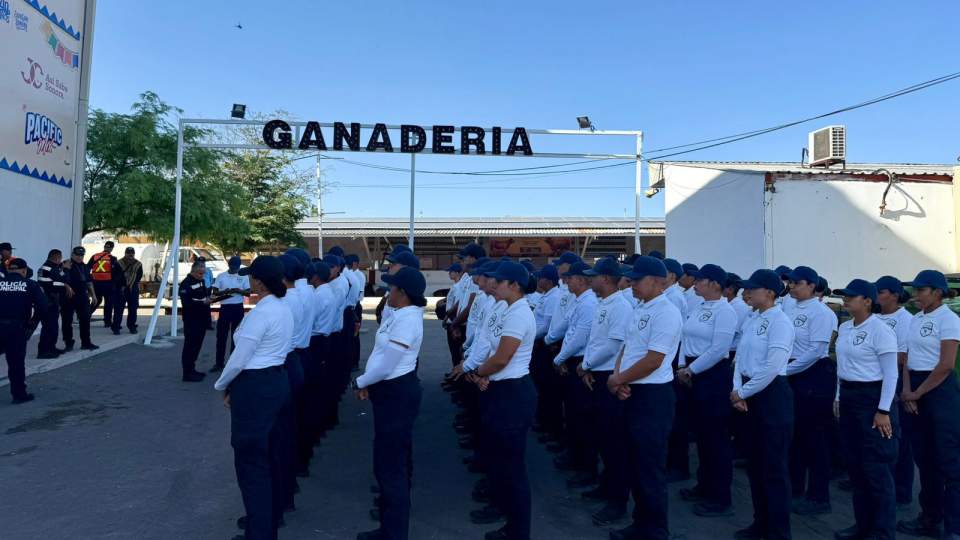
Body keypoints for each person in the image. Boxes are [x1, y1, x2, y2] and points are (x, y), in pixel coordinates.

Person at [214, 256, 293, 540]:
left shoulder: (262, 313)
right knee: (269, 458)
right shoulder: (283, 308)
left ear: (258, 281)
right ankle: (265, 527)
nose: (249, 280)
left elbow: (238, 359)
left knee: (251, 465)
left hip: (256, 387)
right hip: (277, 381)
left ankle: (259, 533)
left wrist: (224, 385)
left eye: (251, 276)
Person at [605, 256, 682, 540]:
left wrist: (619, 379)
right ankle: (641, 524)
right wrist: (618, 377)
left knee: (650, 468)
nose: (631, 284)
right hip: (632, 390)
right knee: (634, 463)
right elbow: (627, 348)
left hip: (653, 397)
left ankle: (656, 530)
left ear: (655, 281)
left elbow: (653, 359)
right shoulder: (640, 308)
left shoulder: (667, 312)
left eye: (637, 280)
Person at [464, 261, 537, 540]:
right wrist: (481, 373)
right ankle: (506, 518)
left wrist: (478, 372)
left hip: (512, 393)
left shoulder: (519, 314)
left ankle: (518, 532)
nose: (494, 284)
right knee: (498, 461)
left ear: (515, 285)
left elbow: (503, 357)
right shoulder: (507, 309)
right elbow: (491, 349)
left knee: (512, 467)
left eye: (500, 281)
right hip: (498, 388)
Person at [353, 266, 426, 540]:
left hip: (397, 393)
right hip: (390, 391)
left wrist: (360, 382)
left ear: (403, 293)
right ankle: (388, 528)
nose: (387, 292)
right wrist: (369, 382)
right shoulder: (400, 314)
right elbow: (381, 357)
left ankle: (394, 533)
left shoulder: (407, 320)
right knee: (388, 463)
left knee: (391, 467)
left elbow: (387, 365)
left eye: (391, 288)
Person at [831, 279, 900, 540]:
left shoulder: (880, 330)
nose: (846, 300)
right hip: (849, 397)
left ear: (868, 301)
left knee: (876, 470)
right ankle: (863, 526)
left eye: (851, 296)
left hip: (872, 398)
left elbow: (890, 374)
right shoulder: (846, 327)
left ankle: (882, 532)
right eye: (844, 296)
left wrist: (883, 410)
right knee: (856, 467)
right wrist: (838, 396)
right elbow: (842, 367)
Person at [731, 269, 796, 540]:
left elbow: (772, 366)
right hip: (748, 393)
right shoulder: (753, 319)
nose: (747, 292)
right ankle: (761, 524)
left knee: (774, 468)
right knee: (755, 465)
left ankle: (779, 531)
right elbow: (739, 358)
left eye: (753, 288)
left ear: (769, 292)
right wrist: (737, 388)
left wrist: (743, 392)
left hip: (770, 396)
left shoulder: (780, 322)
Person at [897, 270, 960, 540]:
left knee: (949, 462)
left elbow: (946, 364)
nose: (916, 295)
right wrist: (908, 390)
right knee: (925, 459)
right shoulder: (915, 320)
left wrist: (919, 393)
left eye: (921, 290)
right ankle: (929, 517)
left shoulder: (949, 319)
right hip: (917, 389)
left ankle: (954, 527)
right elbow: (908, 359)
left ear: (936, 292)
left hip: (939, 390)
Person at [675, 264, 738, 518]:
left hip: (711, 376)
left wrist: (692, 370)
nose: (696, 283)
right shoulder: (699, 306)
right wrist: (682, 366)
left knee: (716, 439)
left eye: (701, 280)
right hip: (691, 372)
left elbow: (719, 348)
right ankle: (704, 485)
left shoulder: (725, 311)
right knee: (701, 436)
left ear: (714, 284)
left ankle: (720, 497)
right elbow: (684, 338)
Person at [579, 257, 632, 526]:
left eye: (595, 276)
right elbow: (594, 340)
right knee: (602, 437)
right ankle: (606, 486)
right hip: (595, 374)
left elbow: (613, 346)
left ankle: (617, 500)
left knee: (615, 443)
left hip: (610, 376)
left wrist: (586, 365)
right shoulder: (603, 304)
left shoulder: (620, 307)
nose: (591, 279)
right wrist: (587, 367)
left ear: (607, 279)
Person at [783, 266, 838, 516]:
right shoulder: (789, 307)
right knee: (795, 437)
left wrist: (786, 370)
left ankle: (819, 497)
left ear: (812, 286)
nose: (792, 286)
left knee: (816, 440)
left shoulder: (822, 313)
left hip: (813, 376)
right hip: (792, 373)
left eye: (797, 283)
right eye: (791, 283)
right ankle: (794, 488)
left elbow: (816, 351)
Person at [551, 261, 599, 484]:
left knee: (583, 418)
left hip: (579, 361)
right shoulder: (580, 301)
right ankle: (575, 457)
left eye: (570, 278)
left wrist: (560, 357)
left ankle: (586, 467)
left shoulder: (589, 303)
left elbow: (581, 337)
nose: (566, 281)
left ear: (581, 280)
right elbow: (567, 328)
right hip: (570, 358)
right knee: (572, 414)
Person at [874, 275, 915, 510]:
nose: (877, 296)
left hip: (896, 380)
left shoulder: (904, 319)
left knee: (900, 437)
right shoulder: (875, 318)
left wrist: (877, 356)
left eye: (881, 291)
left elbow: (902, 356)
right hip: (873, 381)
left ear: (895, 295)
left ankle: (902, 489)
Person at [0, 258, 47, 403]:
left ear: (8, 270)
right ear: (24, 270)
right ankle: (19, 395)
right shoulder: (30, 284)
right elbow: (43, 306)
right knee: (16, 363)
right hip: (17, 328)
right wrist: (32, 324)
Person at [211, 257, 251, 373]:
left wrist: (238, 291)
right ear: (229, 265)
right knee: (221, 337)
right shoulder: (221, 276)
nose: (234, 269)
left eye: (236, 267)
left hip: (238, 308)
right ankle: (219, 363)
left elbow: (248, 293)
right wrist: (226, 291)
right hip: (225, 308)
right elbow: (215, 292)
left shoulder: (243, 276)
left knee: (236, 337)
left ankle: (232, 364)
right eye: (232, 266)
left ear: (239, 266)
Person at [179, 261, 211, 382]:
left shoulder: (201, 281)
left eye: (203, 273)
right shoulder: (186, 283)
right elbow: (187, 303)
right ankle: (187, 373)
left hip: (201, 319)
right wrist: (202, 302)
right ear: (193, 271)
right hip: (191, 320)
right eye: (199, 273)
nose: (201, 275)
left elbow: (203, 296)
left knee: (197, 346)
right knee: (190, 346)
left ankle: (192, 369)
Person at [61, 246, 98, 352]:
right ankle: (68, 343)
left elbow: (89, 281)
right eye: (77, 255)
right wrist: (65, 269)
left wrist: (93, 295)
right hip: (68, 296)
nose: (79, 257)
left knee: (85, 320)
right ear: (72, 254)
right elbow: (60, 278)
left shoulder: (85, 266)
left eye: (81, 255)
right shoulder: (66, 264)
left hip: (82, 296)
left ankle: (86, 342)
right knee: (67, 321)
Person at [36, 249, 70, 359]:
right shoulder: (50, 268)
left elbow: (60, 280)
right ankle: (44, 351)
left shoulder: (50, 267)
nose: (61, 260)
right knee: (49, 327)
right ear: (56, 257)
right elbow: (59, 282)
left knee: (53, 326)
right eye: (60, 258)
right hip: (48, 301)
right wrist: (66, 270)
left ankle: (51, 347)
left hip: (51, 301)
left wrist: (63, 271)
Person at [88, 241, 120, 327]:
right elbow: (116, 272)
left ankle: (86, 316)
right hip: (108, 284)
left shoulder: (95, 256)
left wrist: (90, 280)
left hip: (96, 283)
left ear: (104, 246)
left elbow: (87, 268)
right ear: (112, 248)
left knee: (96, 301)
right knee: (109, 303)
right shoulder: (112, 258)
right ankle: (107, 322)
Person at [113, 247, 143, 335]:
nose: (130, 255)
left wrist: (131, 282)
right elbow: (115, 276)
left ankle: (132, 326)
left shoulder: (138, 264)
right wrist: (122, 284)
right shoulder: (118, 263)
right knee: (118, 309)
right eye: (128, 253)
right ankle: (116, 327)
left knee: (133, 309)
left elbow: (139, 276)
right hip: (121, 289)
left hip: (133, 289)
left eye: (132, 253)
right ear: (125, 253)